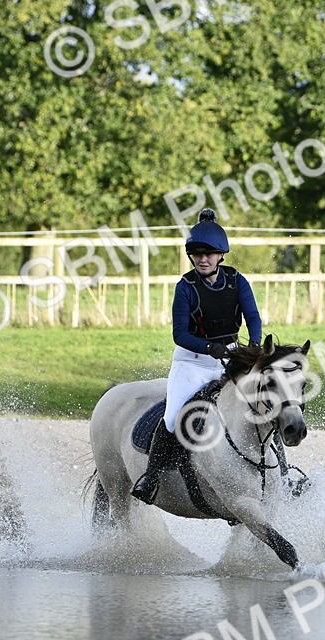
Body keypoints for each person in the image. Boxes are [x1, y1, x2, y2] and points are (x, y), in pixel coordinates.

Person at [131, 208, 263, 503]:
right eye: (197, 255)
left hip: (231, 357)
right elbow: (180, 334)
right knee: (172, 416)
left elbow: (253, 317)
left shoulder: (237, 281)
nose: (203, 259)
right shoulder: (185, 287)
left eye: (209, 254)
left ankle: (283, 473)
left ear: (220, 255)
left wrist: (253, 346)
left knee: (260, 406)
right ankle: (151, 477)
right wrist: (207, 348)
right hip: (192, 361)